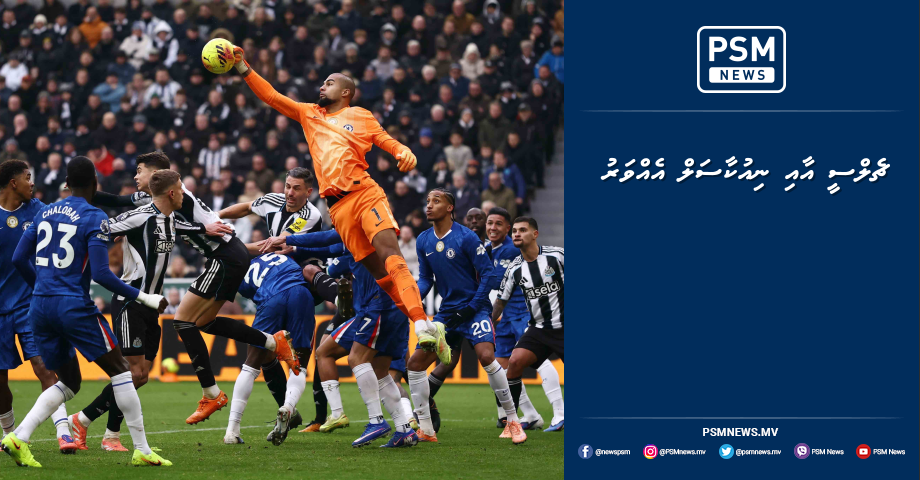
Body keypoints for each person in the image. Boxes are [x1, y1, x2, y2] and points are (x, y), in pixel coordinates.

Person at [232, 44, 450, 359]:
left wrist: (402, 150)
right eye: (323, 83)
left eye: (329, 83)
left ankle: (421, 325)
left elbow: (384, 140)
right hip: (337, 209)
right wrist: (244, 68)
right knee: (381, 276)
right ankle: (428, 324)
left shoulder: (360, 116)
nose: (322, 86)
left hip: (363, 194)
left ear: (346, 92)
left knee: (391, 257)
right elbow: (272, 97)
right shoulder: (310, 113)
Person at [91, 152, 301, 424]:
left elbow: (205, 230)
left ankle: (211, 393)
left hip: (224, 258)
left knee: (182, 321)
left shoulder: (173, 197)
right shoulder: (158, 201)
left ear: (157, 175)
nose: (135, 176)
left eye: (140, 170)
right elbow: (117, 202)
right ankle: (272, 342)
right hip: (230, 256)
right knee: (203, 322)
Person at [8, 156, 172, 467]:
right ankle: (141, 449)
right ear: (95, 182)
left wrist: (41, 285)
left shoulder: (45, 212)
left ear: (67, 183)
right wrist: (146, 298)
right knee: (122, 371)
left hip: (39, 306)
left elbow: (19, 258)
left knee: (69, 381)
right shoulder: (94, 216)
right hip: (72, 305)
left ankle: (19, 436)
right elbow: (101, 274)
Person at [69, 169, 230, 452]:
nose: (184, 195)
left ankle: (100, 430)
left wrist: (206, 229)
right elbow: (102, 228)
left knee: (141, 376)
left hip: (152, 306)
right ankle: (89, 424)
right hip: (130, 301)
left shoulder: (171, 219)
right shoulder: (139, 216)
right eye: (181, 189)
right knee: (131, 373)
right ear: (171, 193)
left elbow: (185, 228)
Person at [282, 231, 418, 448]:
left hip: (379, 305)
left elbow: (328, 241)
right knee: (379, 370)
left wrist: (289, 240)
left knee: (357, 359)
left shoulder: (358, 232)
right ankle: (404, 430)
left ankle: (376, 421)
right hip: (388, 305)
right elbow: (330, 247)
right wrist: (297, 248)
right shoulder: (357, 239)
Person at [407, 188, 519, 443]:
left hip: (474, 308)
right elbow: (426, 278)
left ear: (450, 208)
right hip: (447, 312)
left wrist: (471, 307)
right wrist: (414, 297)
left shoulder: (466, 237)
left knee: (486, 356)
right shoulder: (423, 240)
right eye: (428, 201)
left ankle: (512, 420)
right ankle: (426, 429)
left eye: (436, 201)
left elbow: (488, 274)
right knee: (415, 364)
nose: (429, 205)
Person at [0, 160, 78, 454]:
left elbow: (68, 225)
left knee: (44, 367)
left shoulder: (39, 210)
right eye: (27, 177)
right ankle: (9, 436)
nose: (32, 182)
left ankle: (64, 432)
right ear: (13, 183)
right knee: (0, 382)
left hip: (30, 304)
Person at [223, 252, 317, 446]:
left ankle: (232, 430)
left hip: (270, 299)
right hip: (300, 294)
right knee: (298, 365)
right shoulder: (281, 255)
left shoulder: (240, 271)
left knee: (251, 365)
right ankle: (288, 408)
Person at [492, 217, 565, 436]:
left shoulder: (557, 256)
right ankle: (513, 422)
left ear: (535, 234)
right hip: (538, 329)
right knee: (514, 363)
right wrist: (488, 323)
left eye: (522, 230)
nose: (516, 234)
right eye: (514, 230)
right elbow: (501, 301)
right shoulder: (515, 268)